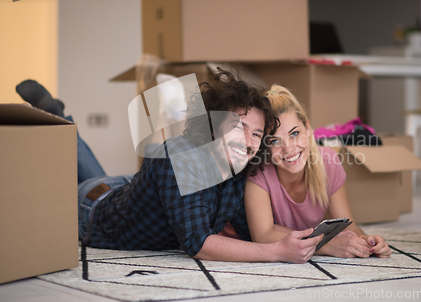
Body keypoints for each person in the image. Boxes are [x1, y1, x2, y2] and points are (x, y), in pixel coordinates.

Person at [15, 72, 324, 263]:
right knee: (60, 178)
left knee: (99, 172)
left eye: (256, 134)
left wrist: (317, 240)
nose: (248, 140)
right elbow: (199, 243)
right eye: (237, 127)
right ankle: (58, 118)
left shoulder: (239, 170)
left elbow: (257, 233)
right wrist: (277, 252)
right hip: (92, 208)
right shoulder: (179, 156)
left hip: (132, 189)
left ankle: (62, 118)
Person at [244, 85, 391, 258]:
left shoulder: (328, 162)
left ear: (307, 128)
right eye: (275, 141)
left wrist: (365, 240)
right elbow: (262, 235)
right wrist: (324, 245)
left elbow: (348, 225)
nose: (289, 148)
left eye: (295, 133)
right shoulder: (259, 172)